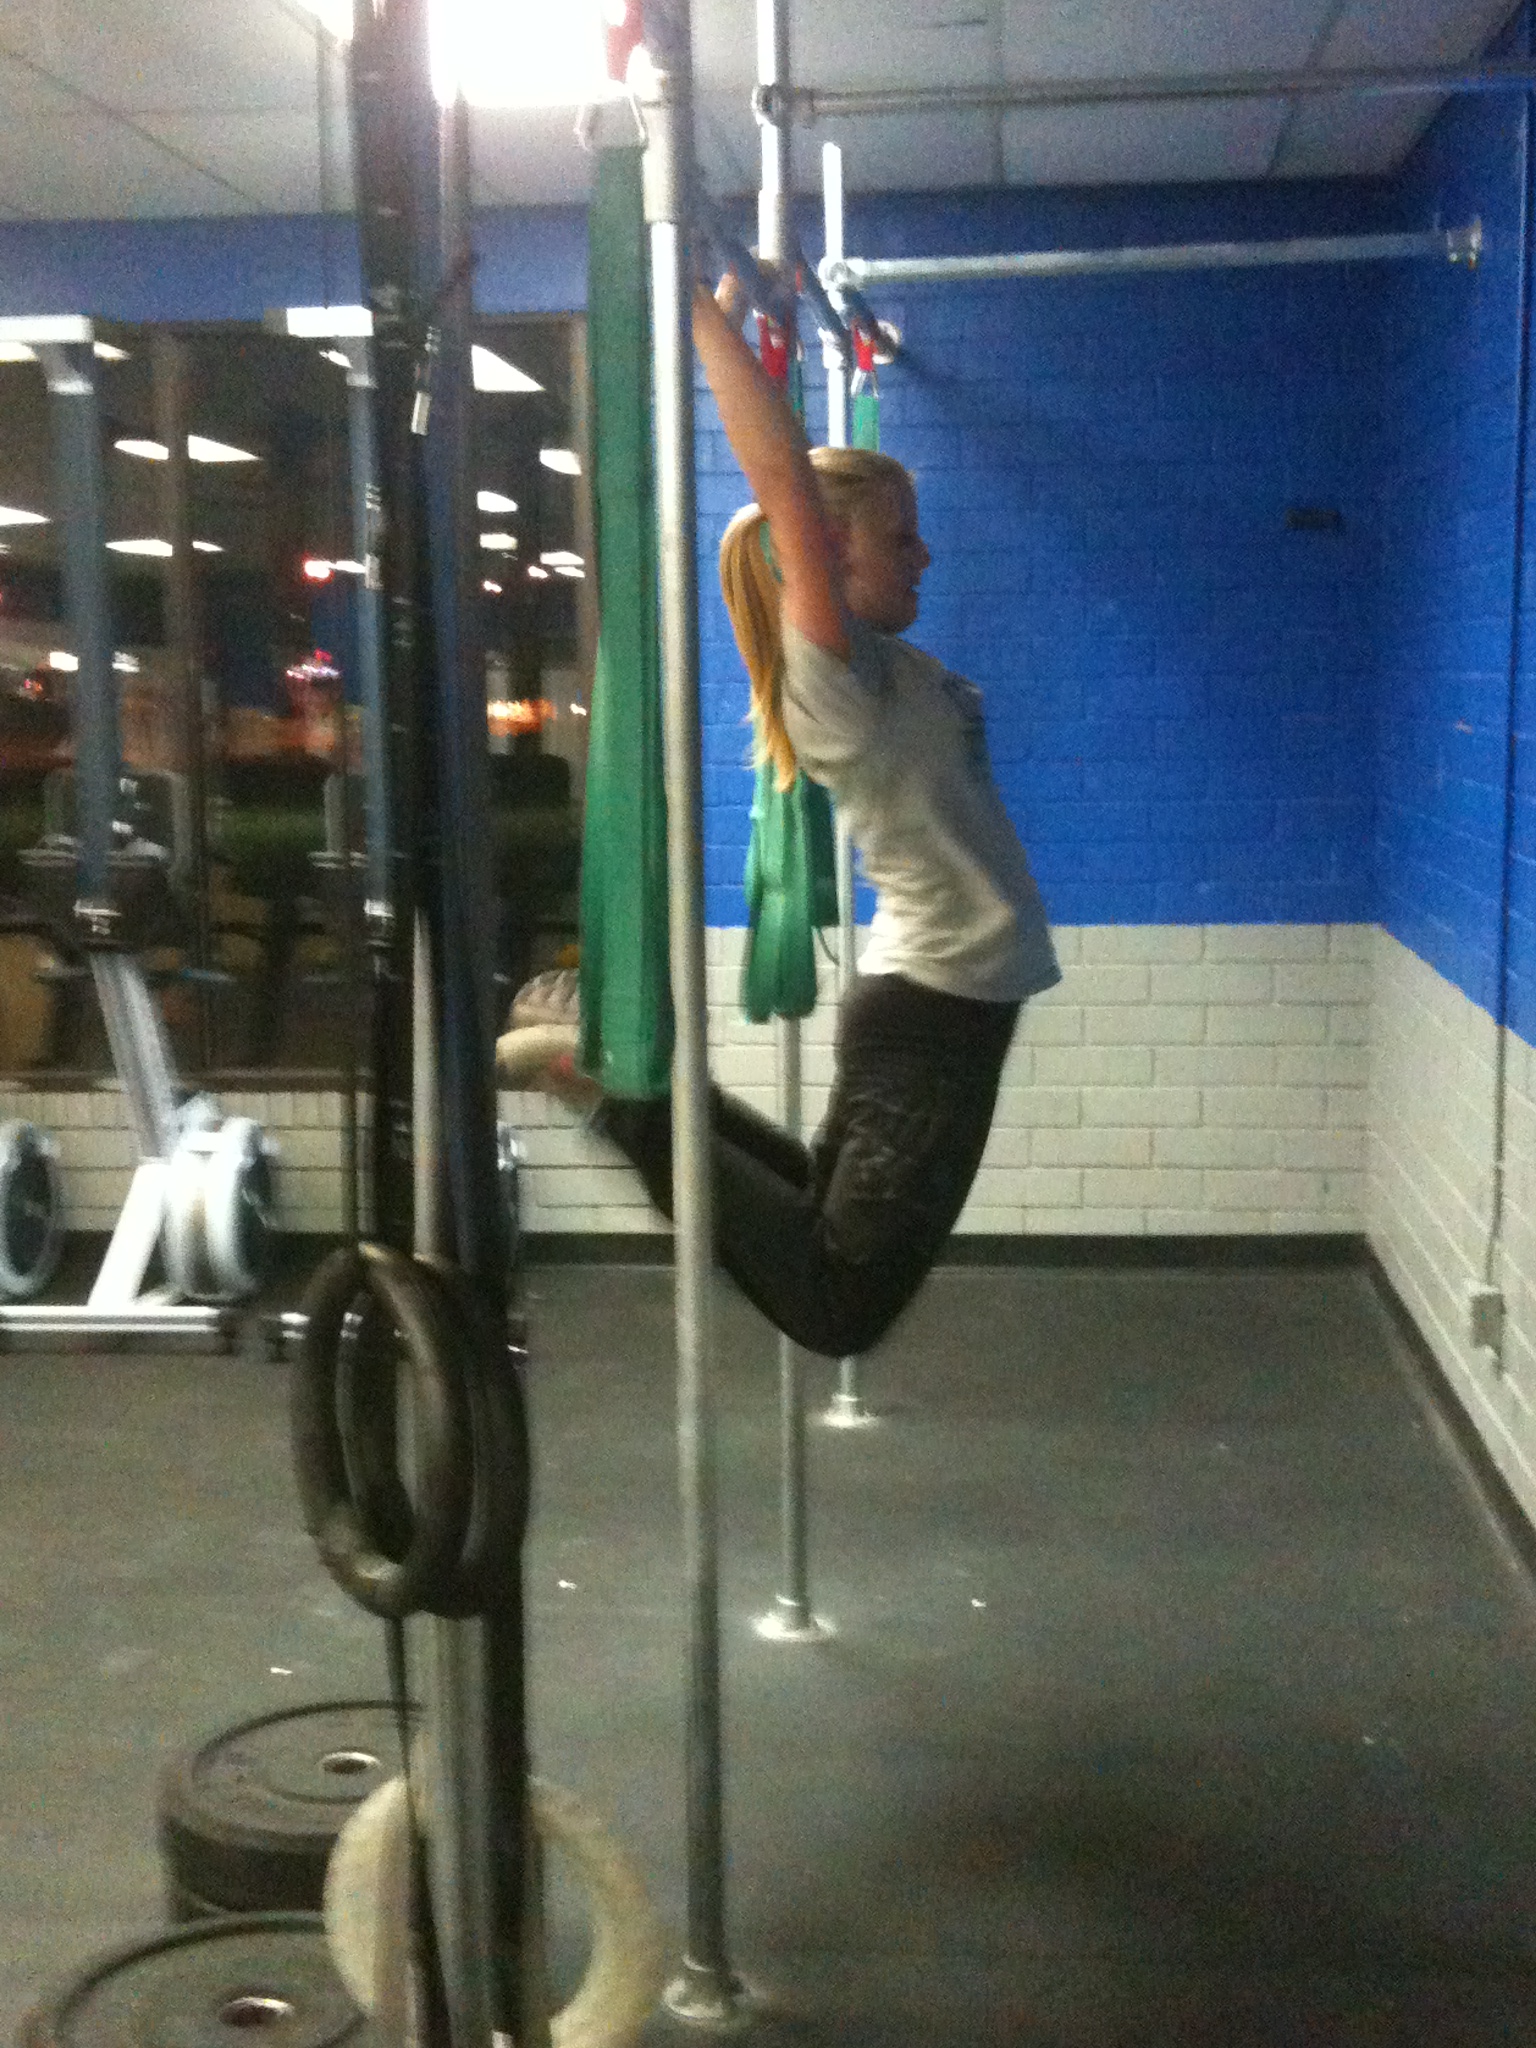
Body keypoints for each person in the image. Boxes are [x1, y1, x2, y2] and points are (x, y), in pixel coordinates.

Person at [496, 273, 1060, 1359]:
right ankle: (616, 1100)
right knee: (838, 1302)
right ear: (829, 559)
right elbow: (783, 486)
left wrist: (737, 303)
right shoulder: (836, 676)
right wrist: (697, 312)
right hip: (937, 1008)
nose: (924, 555)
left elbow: (798, 496)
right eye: (901, 539)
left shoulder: (886, 664)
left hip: (938, 1004)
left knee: (812, 1215)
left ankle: (646, 1091)